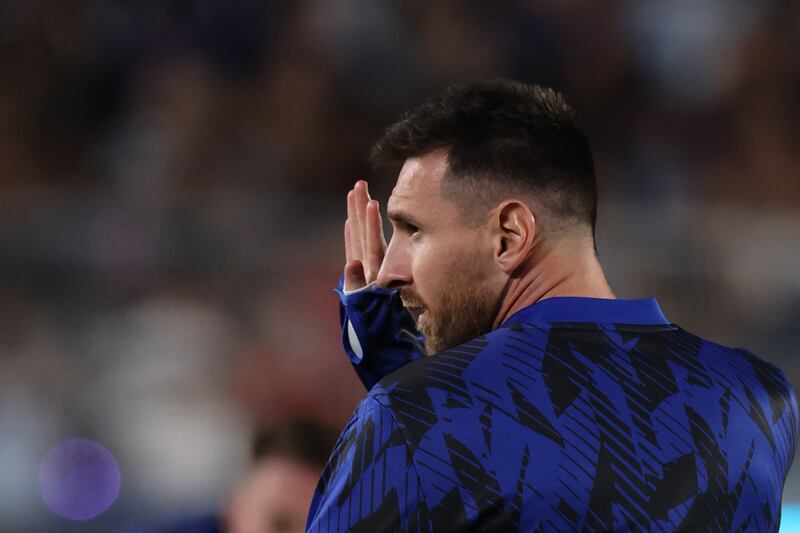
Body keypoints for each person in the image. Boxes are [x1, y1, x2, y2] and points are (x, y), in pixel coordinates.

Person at [305, 79, 799, 532]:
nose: (390, 271)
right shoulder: (762, 402)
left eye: (414, 230)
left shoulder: (410, 418)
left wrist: (399, 396)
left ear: (510, 235)